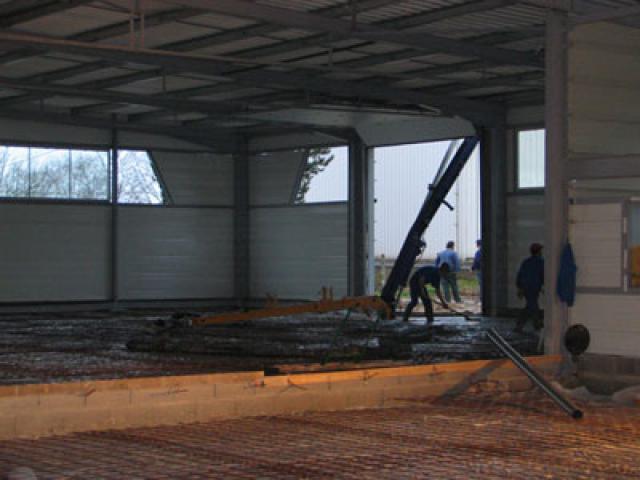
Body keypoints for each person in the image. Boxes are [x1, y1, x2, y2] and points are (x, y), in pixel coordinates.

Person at [515, 242, 544, 332]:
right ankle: (535, 324)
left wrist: (519, 287)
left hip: (526, 287)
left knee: (530, 305)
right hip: (534, 287)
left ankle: (533, 324)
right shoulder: (541, 262)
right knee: (532, 305)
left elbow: (520, 275)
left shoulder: (526, 262)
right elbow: (543, 275)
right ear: (539, 251)